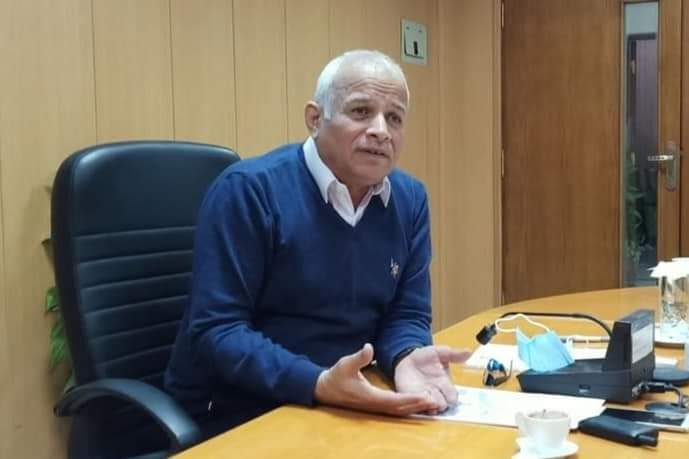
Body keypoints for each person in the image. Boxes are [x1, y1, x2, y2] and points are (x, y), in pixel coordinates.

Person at [165, 49, 471, 437]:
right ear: (315, 119)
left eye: (394, 118)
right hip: (242, 411)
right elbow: (218, 331)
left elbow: (406, 314)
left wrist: (406, 356)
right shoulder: (248, 191)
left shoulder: (409, 199)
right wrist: (319, 382)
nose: (381, 130)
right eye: (361, 112)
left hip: (347, 399)